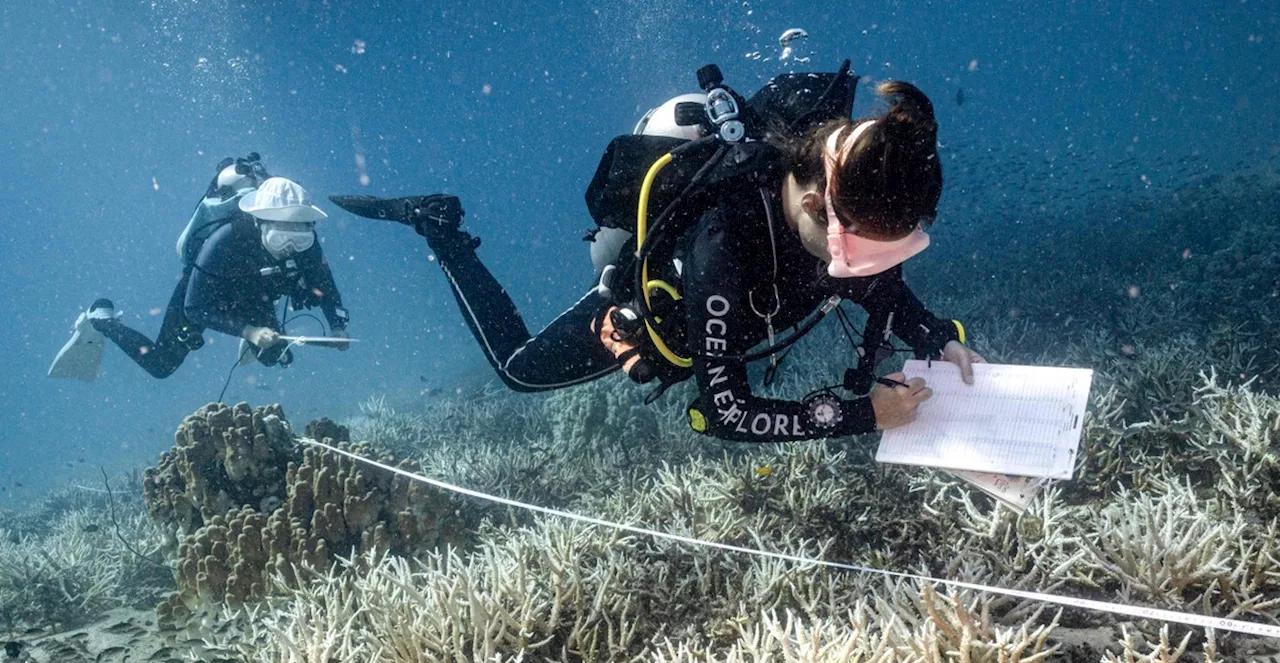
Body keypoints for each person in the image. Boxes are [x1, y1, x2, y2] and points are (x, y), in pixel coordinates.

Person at [333, 66, 981, 442]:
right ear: (816, 207)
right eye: (867, 248)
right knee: (519, 369)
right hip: (669, 302)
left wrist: (936, 338)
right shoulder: (725, 244)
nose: (874, 267)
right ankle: (436, 227)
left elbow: (880, 286)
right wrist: (867, 413)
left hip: (756, 280)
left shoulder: (852, 206)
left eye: (895, 247)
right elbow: (724, 412)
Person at [50, 169, 349, 381]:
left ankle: (251, 338)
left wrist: (337, 326)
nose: (292, 245)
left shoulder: (305, 240)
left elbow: (324, 283)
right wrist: (249, 331)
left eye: (300, 234)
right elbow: (194, 307)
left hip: (254, 294)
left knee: (273, 357)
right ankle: (101, 319)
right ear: (259, 222)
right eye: (283, 236)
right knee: (160, 365)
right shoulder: (225, 239)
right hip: (207, 293)